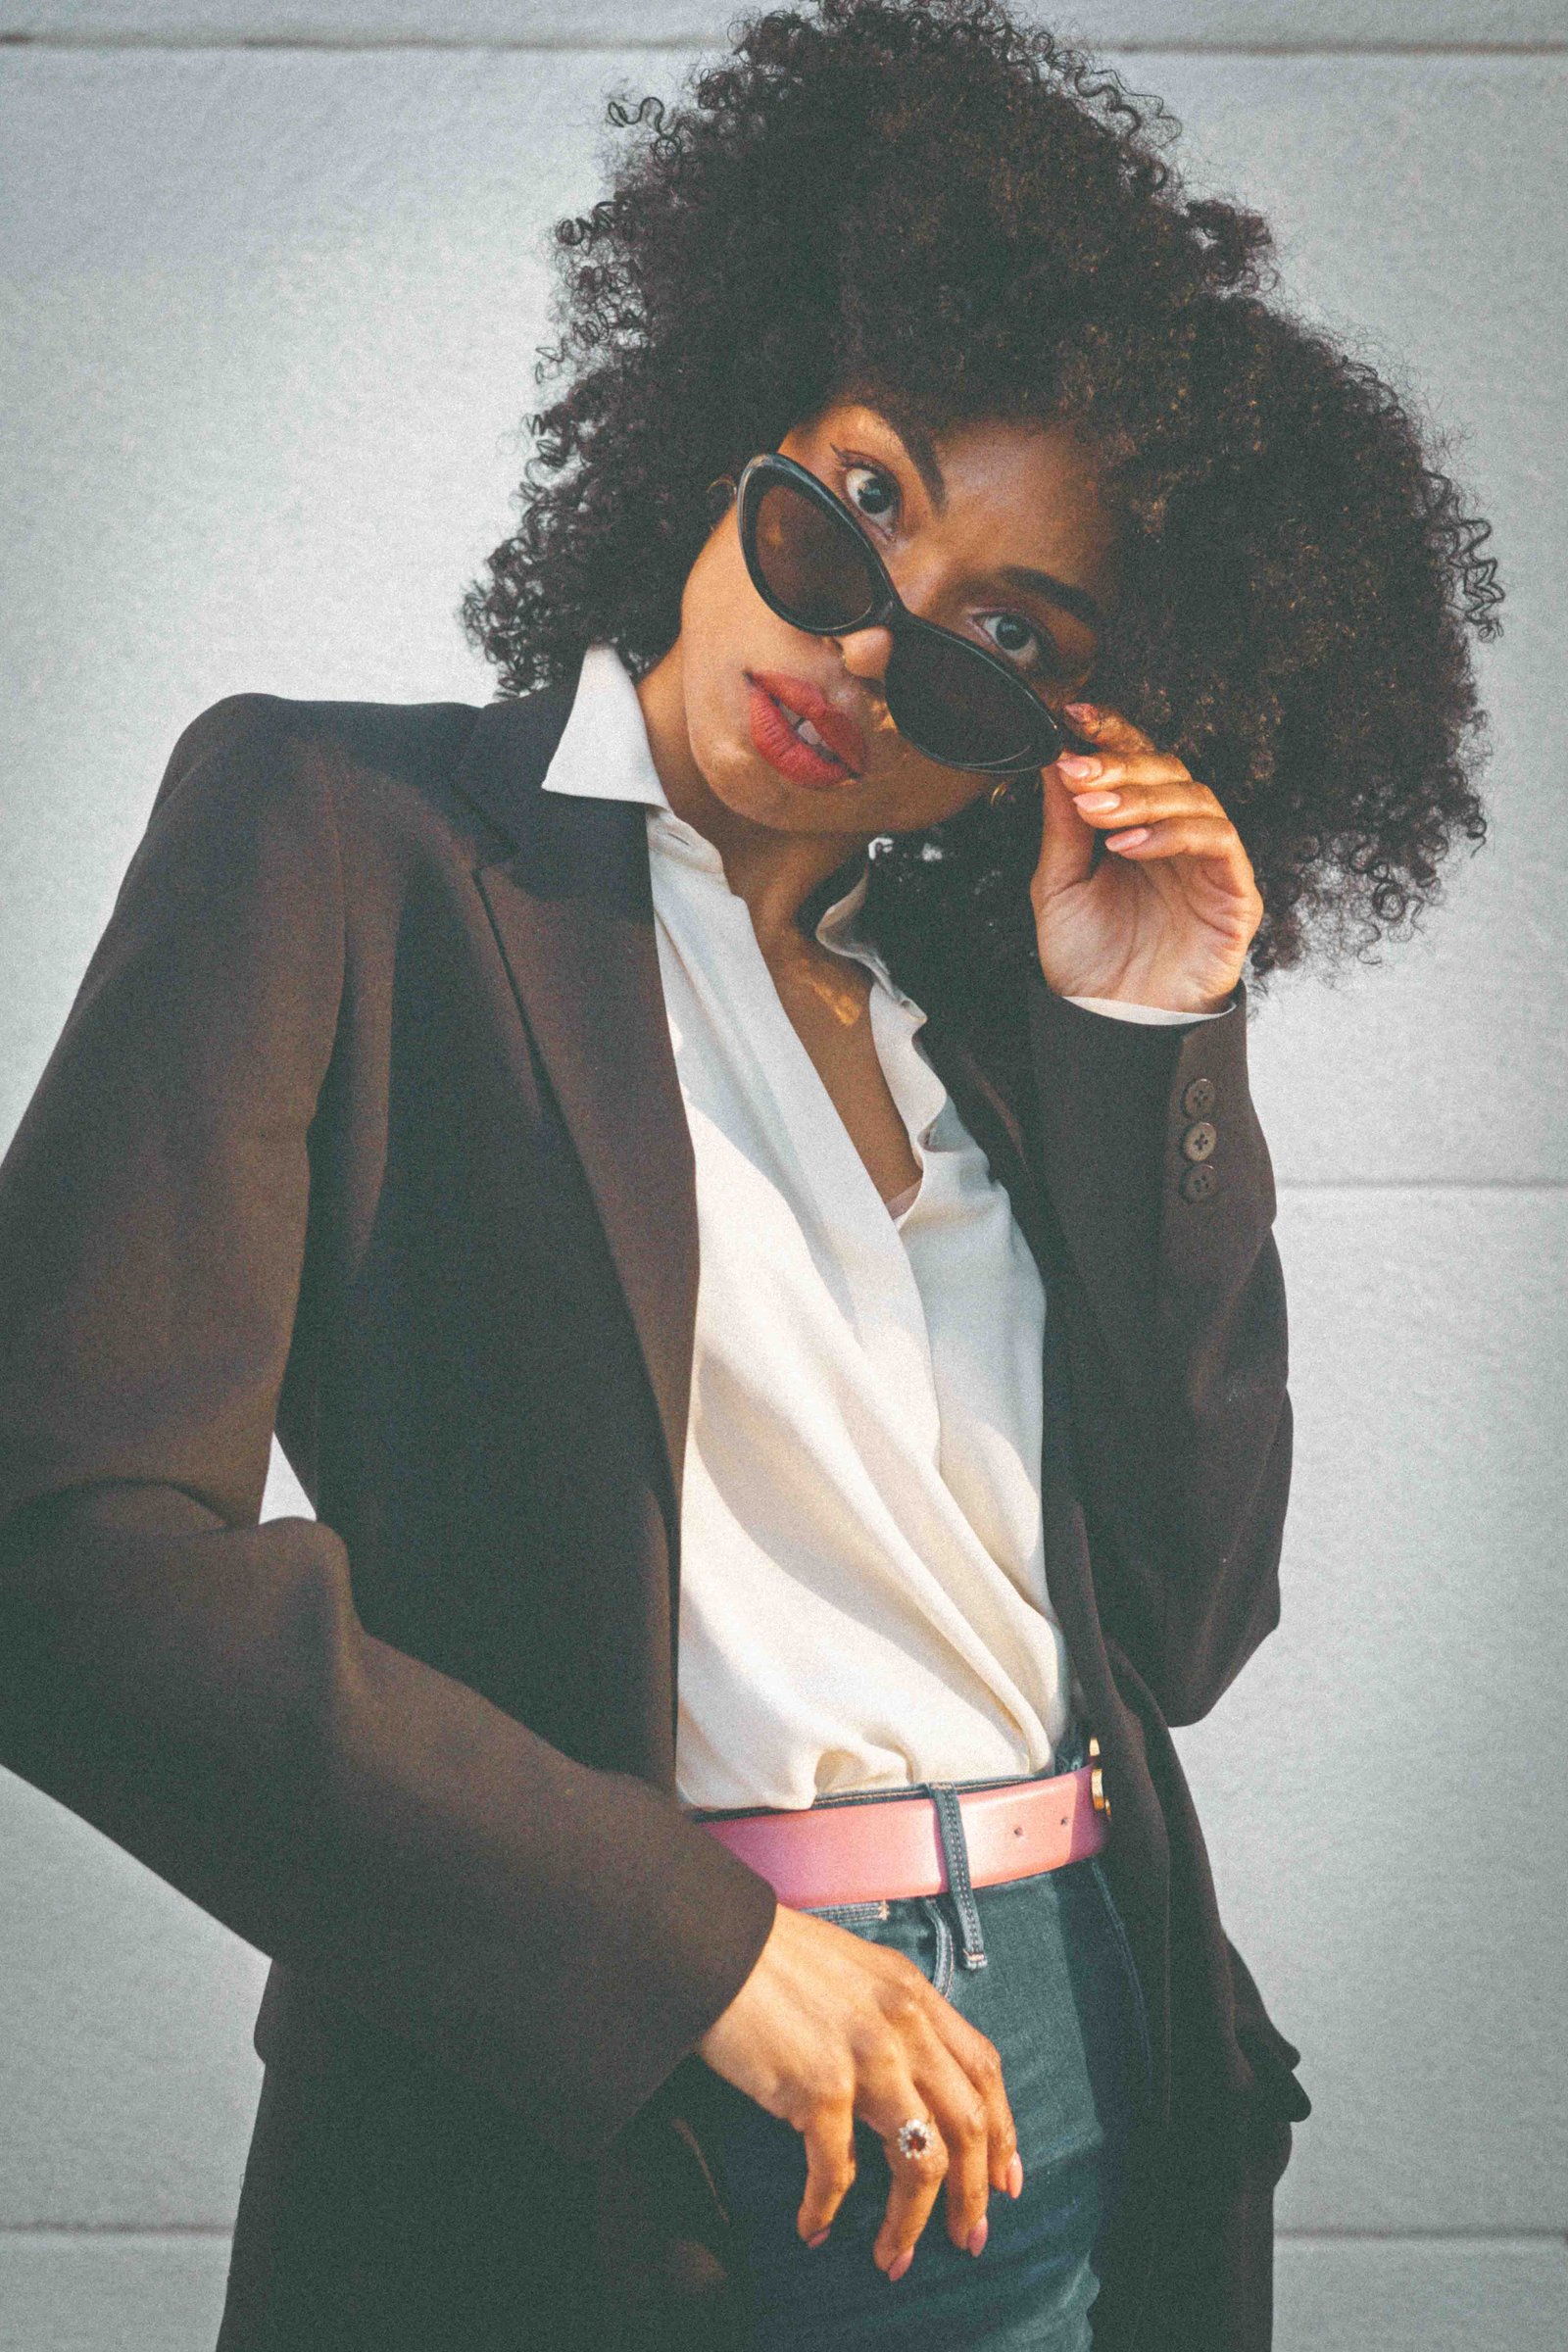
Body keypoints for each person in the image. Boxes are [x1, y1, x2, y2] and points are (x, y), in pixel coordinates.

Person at [0, 4, 1500, 2348]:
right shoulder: (349, 837)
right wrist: (696, 1955)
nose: (860, 642)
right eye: (857, 502)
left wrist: (1147, 1026)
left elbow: (1189, 1621)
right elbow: (60, 1548)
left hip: (1094, 2043)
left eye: (998, 647)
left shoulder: (994, 1023)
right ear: (730, 434)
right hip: (635, 2097)